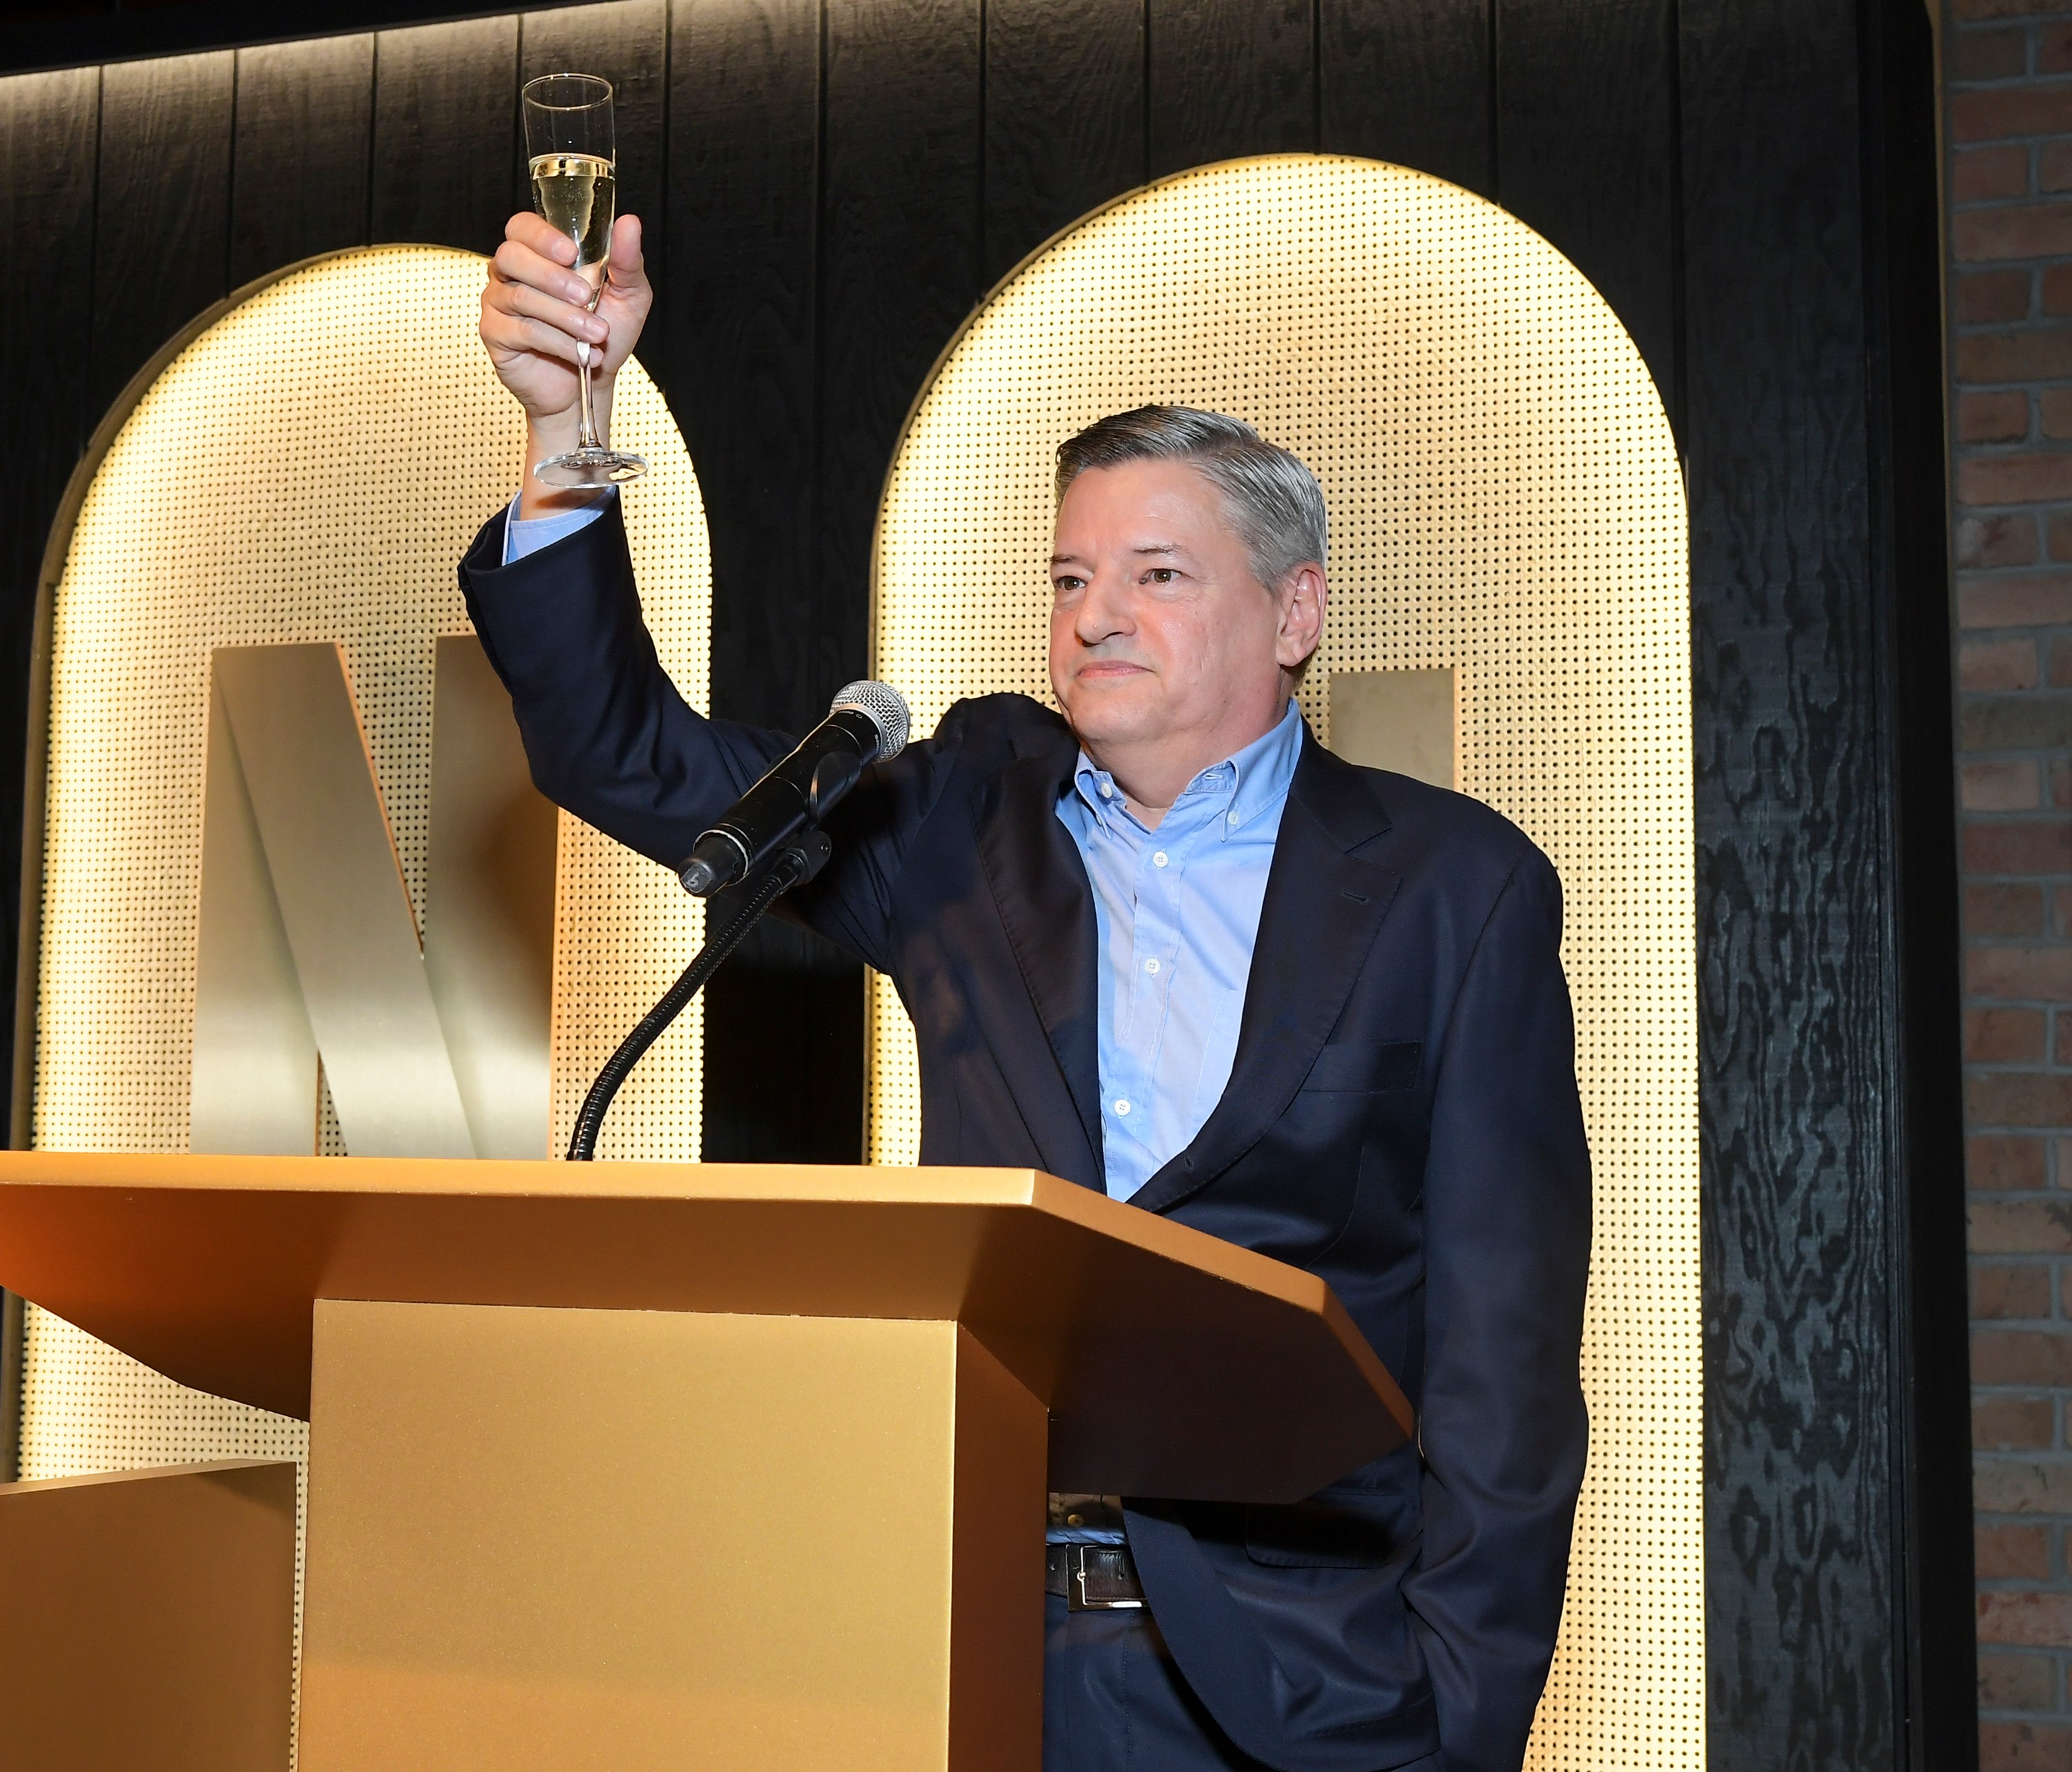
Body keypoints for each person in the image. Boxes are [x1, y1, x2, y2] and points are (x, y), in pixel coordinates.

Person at [469, 210, 1592, 1772]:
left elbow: (1507, 1370)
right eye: (1070, 574)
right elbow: (625, 752)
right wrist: (565, 439)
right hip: (954, 1647)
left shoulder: (1453, 890)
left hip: (1301, 1697)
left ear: (1295, 613)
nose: (1095, 614)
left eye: (1156, 572)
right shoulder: (956, 825)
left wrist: (1454, 1730)